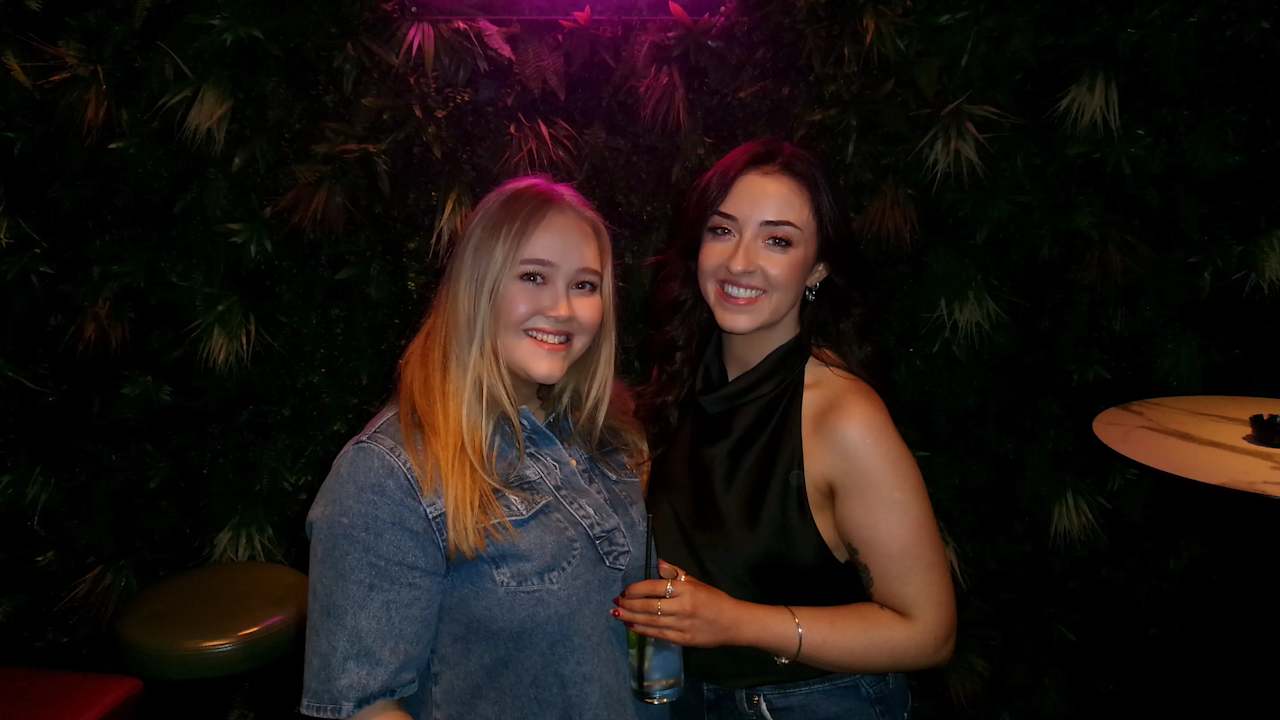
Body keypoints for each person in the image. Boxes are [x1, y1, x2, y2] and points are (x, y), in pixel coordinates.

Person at [615, 139, 955, 719]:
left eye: (777, 240)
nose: (739, 262)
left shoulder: (844, 417)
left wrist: (736, 622)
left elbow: (929, 633)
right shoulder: (679, 381)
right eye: (723, 230)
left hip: (815, 703)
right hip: (686, 699)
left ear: (817, 267)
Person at [301, 176, 657, 720]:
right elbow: (361, 707)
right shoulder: (388, 473)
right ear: (477, 287)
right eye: (533, 276)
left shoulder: (602, 433)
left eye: (585, 285)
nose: (563, 308)